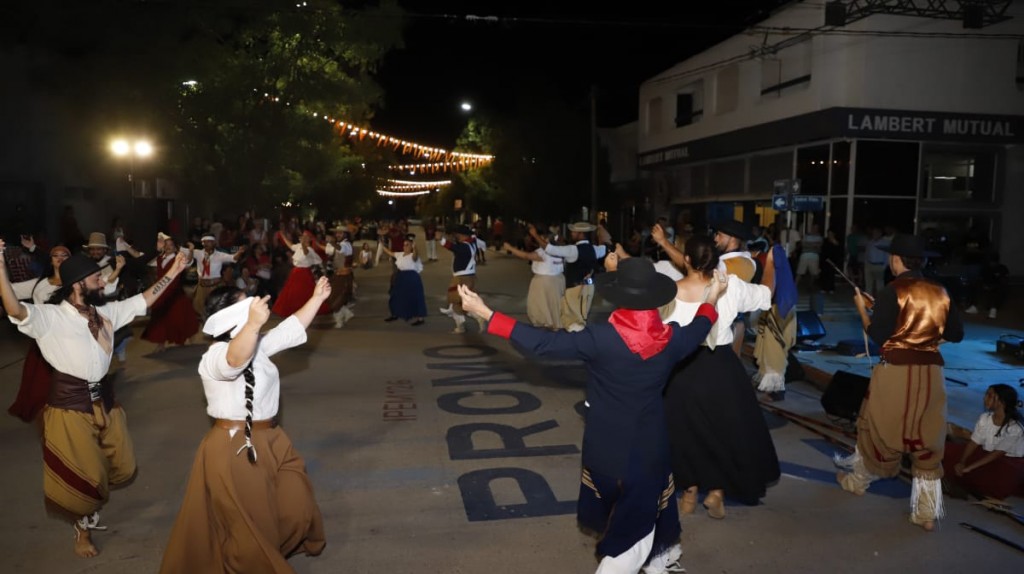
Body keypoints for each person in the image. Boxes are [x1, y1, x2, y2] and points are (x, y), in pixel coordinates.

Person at [458, 256, 726, 574]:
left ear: (619, 297)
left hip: (603, 448)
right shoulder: (674, 339)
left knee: (631, 520)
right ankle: (650, 561)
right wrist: (713, 295)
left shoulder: (599, 338)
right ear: (655, 298)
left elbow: (542, 344)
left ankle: (657, 562)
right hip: (648, 450)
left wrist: (486, 313)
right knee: (636, 525)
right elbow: (702, 324)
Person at [0, 240, 190, 557]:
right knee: (84, 479)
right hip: (68, 408)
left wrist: (176, 269)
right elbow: (14, 309)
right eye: (96, 277)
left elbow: (145, 299)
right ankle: (82, 531)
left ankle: (93, 482)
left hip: (105, 402)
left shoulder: (105, 313)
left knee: (125, 468)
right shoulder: (51, 318)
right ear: (78, 284)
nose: (103, 281)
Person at [159, 279, 329, 573]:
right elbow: (233, 362)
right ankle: (248, 561)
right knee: (252, 525)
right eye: (245, 301)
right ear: (230, 315)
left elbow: (290, 330)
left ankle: (258, 551)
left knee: (297, 504)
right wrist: (251, 326)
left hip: (272, 438)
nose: (254, 303)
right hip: (234, 446)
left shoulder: (258, 345)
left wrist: (316, 298)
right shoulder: (213, 357)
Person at [838, 233, 965, 531]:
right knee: (927, 435)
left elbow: (879, 335)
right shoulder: (941, 291)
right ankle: (925, 512)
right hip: (932, 374)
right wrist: (926, 340)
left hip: (896, 371)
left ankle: (858, 480)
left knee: (878, 424)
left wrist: (861, 308)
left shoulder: (893, 289)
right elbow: (956, 334)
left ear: (896, 260)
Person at [657, 235, 780, 518]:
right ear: (715, 260)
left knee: (683, 429)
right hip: (720, 365)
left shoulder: (670, 290)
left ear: (686, 260)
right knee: (722, 429)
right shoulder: (730, 285)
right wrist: (770, 263)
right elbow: (765, 294)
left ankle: (688, 493)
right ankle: (716, 491)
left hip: (682, 367)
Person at [6, 245, 71, 424]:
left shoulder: (77, 281)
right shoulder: (39, 284)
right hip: (45, 339)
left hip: (71, 338)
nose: (59, 259)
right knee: (42, 382)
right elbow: (12, 290)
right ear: (51, 260)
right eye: (55, 256)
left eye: (64, 255)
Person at [942, 384, 1024, 501]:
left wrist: (969, 468)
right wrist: (962, 462)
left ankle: (964, 484)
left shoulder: (1015, 427)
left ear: (1001, 402)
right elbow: (973, 442)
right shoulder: (985, 418)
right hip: (986, 454)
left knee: (995, 477)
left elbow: (997, 454)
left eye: (989, 395)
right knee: (946, 450)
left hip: (1009, 462)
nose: (984, 398)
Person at [535, 221, 607, 332]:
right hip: (589, 288)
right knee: (581, 317)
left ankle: (575, 344)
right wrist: (601, 233)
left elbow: (548, 248)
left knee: (572, 322)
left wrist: (534, 234)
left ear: (581, 233)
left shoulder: (573, 250)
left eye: (574, 231)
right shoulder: (595, 249)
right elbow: (603, 246)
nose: (572, 233)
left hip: (575, 289)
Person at [141, 234, 199, 353]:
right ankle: (160, 344)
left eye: (171, 245)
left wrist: (191, 250)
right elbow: (144, 261)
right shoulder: (159, 259)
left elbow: (188, 262)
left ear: (175, 247)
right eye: (166, 245)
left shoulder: (178, 258)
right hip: (161, 293)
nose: (168, 247)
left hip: (175, 293)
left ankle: (185, 338)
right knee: (159, 319)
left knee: (180, 318)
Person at [504, 228, 565, 330]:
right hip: (558, 279)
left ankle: (547, 324)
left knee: (541, 304)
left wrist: (510, 248)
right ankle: (556, 324)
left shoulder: (544, 252)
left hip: (544, 281)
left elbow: (526, 256)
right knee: (555, 303)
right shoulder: (559, 250)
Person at [273, 230, 329, 317]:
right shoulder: (298, 246)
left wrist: (303, 243)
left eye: (305, 236)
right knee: (292, 292)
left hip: (303, 274)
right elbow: (290, 245)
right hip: (295, 273)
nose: (302, 237)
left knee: (302, 293)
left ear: (309, 239)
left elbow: (305, 252)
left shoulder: (310, 250)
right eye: (302, 236)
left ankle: (304, 311)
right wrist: (283, 236)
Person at [188, 234, 246, 318]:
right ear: (202, 243)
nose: (207, 244)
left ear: (214, 243)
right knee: (199, 307)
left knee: (217, 306)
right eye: (205, 242)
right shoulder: (197, 253)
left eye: (209, 242)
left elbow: (233, 258)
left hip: (215, 286)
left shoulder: (220, 255)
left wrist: (239, 252)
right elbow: (181, 251)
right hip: (202, 286)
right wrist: (190, 249)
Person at [437, 225, 479, 334]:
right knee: (463, 303)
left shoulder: (465, 247)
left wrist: (441, 239)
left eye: (457, 235)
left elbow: (452, 247)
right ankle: (476, 317)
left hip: (461, 278)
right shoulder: (472, 243)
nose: (455, 236)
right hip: (468, 277)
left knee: (456, 302)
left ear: (461, 235)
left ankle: (463, 325)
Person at [382, 234, 427, 326]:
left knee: (415, 297)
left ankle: (420, 318)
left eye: (407, 245)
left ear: (411, 247)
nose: (405, 246)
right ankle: (395, 314)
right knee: (395, 295)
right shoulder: (399, 254)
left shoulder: (413, 256)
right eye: (404, 245)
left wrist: (415, 246)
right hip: (401, 277)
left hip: (412, 277)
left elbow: (415, 255)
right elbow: (390, 253)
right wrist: (382, 245)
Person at [325, 228, 356, 328]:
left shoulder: (346, 245)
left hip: (344, 276)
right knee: (334, 297)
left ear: (345, 234)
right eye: (336, 233)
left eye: (340, 233)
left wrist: (332, 242)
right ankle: (347, 313)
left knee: (335, 297)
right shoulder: (340, 244)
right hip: (338, 275)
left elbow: (340, 248)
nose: (337, 234)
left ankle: (339, 320)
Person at [795, 223, 823, 292]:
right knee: (800, 271)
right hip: (805, 254)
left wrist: (809, 244)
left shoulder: (819, 237)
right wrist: (813, 245)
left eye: (816, 228)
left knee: (813, 272)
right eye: (814, 227)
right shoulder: (807, 236)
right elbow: (803, 244)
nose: (814, 229)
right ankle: (794, 285)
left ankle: (810, 286)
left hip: (814, 255)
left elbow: (819, 246)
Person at [862, 226, 889, 295]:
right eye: (873, 233)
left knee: (879, 285)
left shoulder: (885, 243)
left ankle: (880, 301)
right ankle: (868, 301)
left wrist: (884, 266)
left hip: (879, 265)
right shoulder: (870, 242)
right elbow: (867, 253)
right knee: (868, 285)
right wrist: (866, 263)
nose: (874, 234)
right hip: (869, 265)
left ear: (880, 234)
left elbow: (887, 255)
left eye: (876, 233)